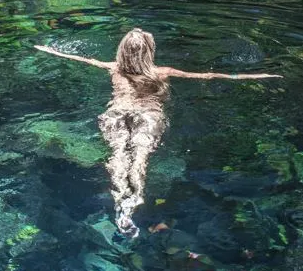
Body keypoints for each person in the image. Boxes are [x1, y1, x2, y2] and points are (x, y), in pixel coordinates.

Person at [35, 28, 281, 239]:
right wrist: (257, 75)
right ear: (149, 51)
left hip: (117, 112)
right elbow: (210, 76)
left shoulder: (113, 68)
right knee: (140, 156)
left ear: (121, 51)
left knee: (119, 153)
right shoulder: (162, 72)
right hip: (148, 114)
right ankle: (136, 197)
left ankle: (122, 203)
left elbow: (81, 59)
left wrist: (49, 51)